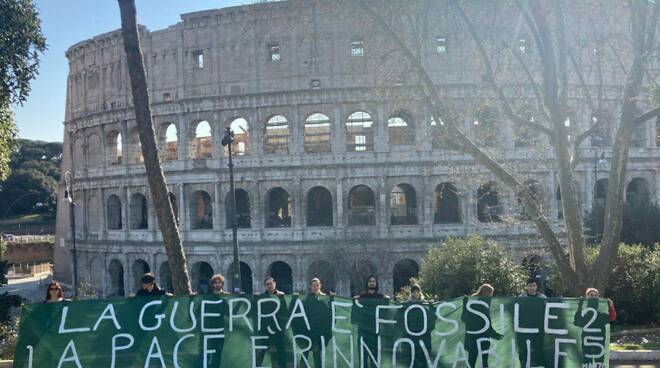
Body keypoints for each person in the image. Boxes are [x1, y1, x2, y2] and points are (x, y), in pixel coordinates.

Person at [352, 275, 389, 368]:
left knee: (375, 360)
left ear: (376, 284)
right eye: (370, 281)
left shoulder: (380, 297)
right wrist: (354, 301)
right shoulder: (361, 297)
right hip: (363, 332)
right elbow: (355, 313)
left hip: (375, 333)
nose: (372, 283)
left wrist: (387, 301)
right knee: (363, 360)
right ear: (367, 283)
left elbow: (385, 312)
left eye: (373, 281)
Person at [294, 278, 332, 368]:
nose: (315, 287)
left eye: (317, 285)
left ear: (320, 286)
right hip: (307, 333)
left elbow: (330, 315)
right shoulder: (306, 300)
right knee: (304, 355)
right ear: (311, 287)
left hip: (318, 334)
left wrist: (332, 299)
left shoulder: (324, 299)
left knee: (317, 355)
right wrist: (294, 299)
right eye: (314, 285)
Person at [463, 284, 502, 368]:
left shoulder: (472, 301)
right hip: (480, 336)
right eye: (491, 293)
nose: (492, 295)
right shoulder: (480, 303)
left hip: (473, 336)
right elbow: (487, 321)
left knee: (472, 360)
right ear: (488, 293)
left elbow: (464, 318)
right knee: (481, 361)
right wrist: (494, 334)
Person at [396, 284, 435, 368]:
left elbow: (431, 320)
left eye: (417, 291)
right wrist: (401, 307)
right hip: (410, 338)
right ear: (411, 293)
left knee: (423, 361)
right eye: (413, 292)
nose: (415, 293)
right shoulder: (406, 305)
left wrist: (431, 307)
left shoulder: (425, 305)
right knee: (411, 361)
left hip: (423, 338)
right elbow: (399, 319)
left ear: (420, 292)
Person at [254, 277, 290, 368]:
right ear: (265, 286)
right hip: (265, 328)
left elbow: (285, 311)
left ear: (275, 284)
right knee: (262, 349)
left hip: (278, 328)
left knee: (281, 350)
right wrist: (254, 299)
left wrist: (282, 299)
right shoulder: (261, 297)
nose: (269, 286)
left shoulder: (281, 296)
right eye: (267, 284)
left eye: (271, 283)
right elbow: (255, 310)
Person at [574, 288, 614, 367]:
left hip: (599, 342)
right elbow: (577, 322)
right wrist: (580, 306)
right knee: (587, 360)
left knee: (599, 360)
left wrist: (611, 306)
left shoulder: (600, 315)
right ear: (587, 297)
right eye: (591, 295)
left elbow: (611, 318)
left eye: (595, 295)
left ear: (598, 297)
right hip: (587, 341)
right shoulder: (584, 314)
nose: (593, 297)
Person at [516, 278, 546, 367]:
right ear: (527, 286)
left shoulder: (543, 298)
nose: (532, 287)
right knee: (524, 350)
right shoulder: (521, 298)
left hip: (538, 330)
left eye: (534, 285)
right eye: (530, 285)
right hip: (524, 329)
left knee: (537, 349)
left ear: (537, 286)